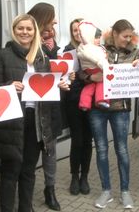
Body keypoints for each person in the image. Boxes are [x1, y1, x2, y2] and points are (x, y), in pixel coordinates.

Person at [0, 14, 69, 212]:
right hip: (12, 122)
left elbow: (47, 88)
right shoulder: (2, 55)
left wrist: (59, 85)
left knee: (29, 171)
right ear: (14, 31)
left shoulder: (42, 57)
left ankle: (25, 208)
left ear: (35, 32)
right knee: (10, 171)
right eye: (20, 28)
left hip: (36, 122)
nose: (25, 32)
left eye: (29, 29)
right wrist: (8, 86)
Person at [88, 19, 139, 209]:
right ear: (115, 34)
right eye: (124, 36)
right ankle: (106, 191)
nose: (128, 40)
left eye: (130, 36)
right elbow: (83, 71)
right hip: (98, 108)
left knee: (122, 150)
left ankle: (125, 192)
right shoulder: (100, 50)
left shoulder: (135, 52)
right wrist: (90, 77)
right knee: (101, 150)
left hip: (121, 109)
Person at [27, 2, 66, 210]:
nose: (56, 23)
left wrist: (67, 75)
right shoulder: (27, 42)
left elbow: (56, 71)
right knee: (31, 154)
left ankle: (50, 190)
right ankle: (27, 196)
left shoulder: (51, 44)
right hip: (33, 109)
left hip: (50, 105)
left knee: (50, 151)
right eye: (52, 19)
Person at [62, 18, 94, 195]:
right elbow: (64, 81)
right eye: (75, 30)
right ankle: (75, 176)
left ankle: (85, 177)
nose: (78, 33)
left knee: (88, 140)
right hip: (73, 102)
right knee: (77, 140)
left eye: (81, 30)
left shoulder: (95, 50)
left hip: (92, 103)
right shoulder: (67, 52)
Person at [76, 20, 110, 110]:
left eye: (99, 37)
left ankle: (84, 104)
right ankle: (101, 100)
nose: (98, 40)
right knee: (101, 85)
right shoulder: (90, 49)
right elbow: (99, 60)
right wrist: (107, 68)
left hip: (90, 71)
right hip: (96, 69)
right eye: (96, 38)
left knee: (89, 87)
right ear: (89, 37)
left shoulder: (84, 47)